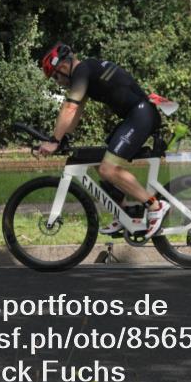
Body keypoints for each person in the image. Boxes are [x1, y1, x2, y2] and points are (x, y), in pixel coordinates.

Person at [37, 42, 170, 238]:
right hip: (136, 116)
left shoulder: (82, 70)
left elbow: (70, 108)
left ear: (63, 66)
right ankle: (124, 213)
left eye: (55, 76)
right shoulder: (87, 70)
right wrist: (65, 137)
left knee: (109, 168)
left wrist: (54, 140)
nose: (57, 82)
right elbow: (77, 111)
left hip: (141, 115)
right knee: (100, 164)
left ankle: (155, 206)